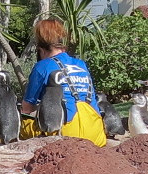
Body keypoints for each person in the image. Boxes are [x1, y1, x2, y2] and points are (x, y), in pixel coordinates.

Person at [20, 18, 107, 146]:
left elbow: (27, 107)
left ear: (41, 49)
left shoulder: (43, 66)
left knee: (22, 124)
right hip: (95, 133)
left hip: (67, 133)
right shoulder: (81, 64)